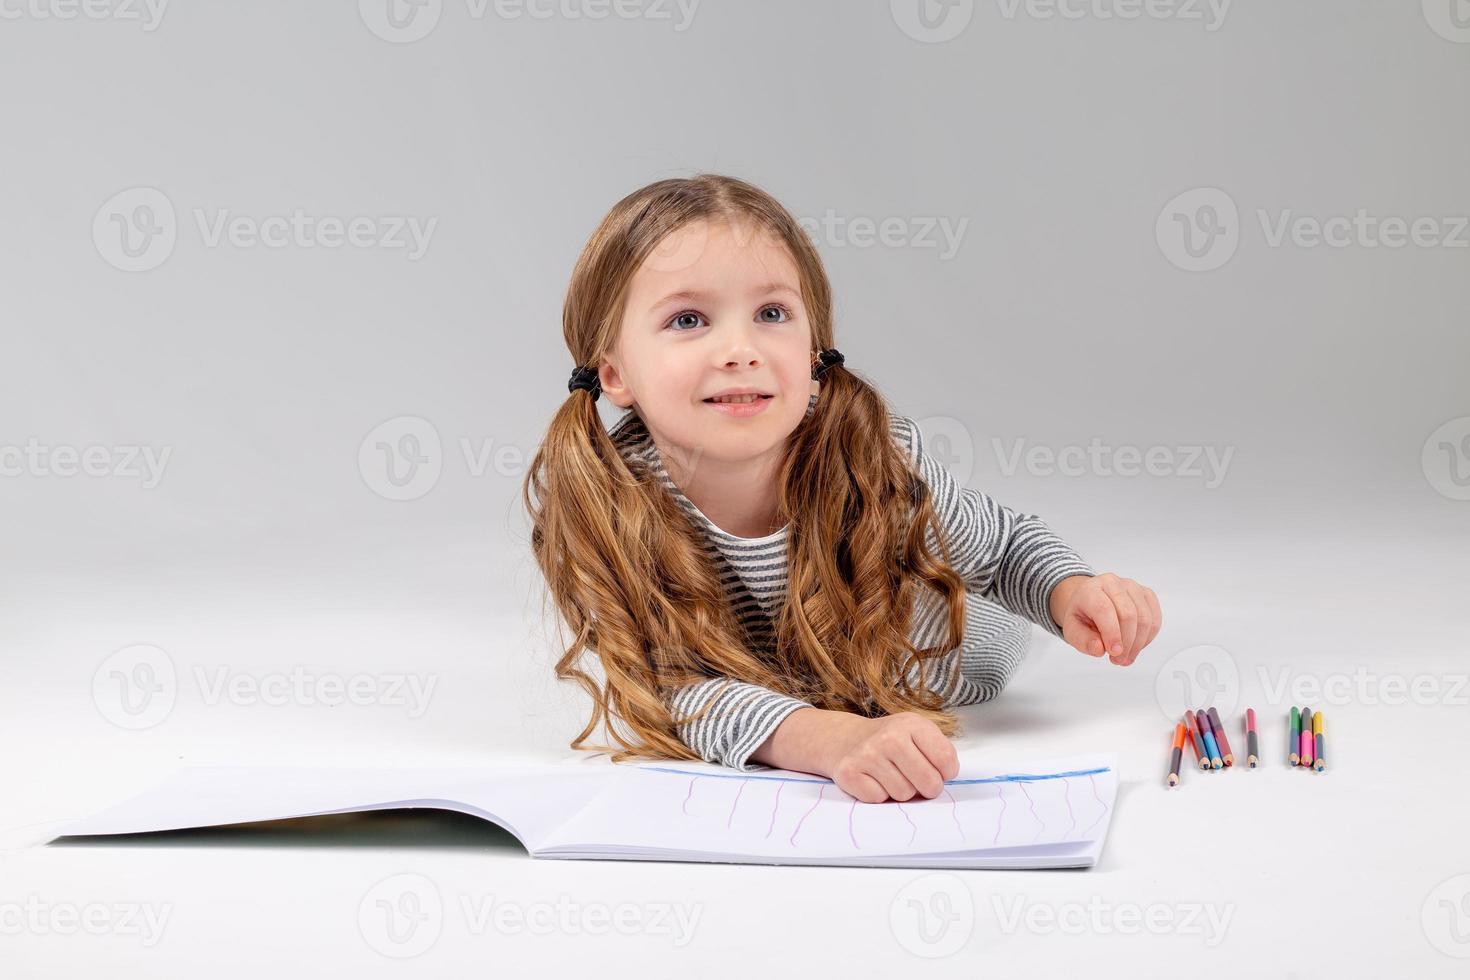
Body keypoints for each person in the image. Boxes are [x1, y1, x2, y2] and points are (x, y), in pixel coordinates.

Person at [522, 174, 1161, 804]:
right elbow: (667, 688)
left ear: (813, 348)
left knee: (980, 586)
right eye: (689, 319)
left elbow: (999, 549)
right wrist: (828, 739)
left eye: (772, 313)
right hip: (834, 693)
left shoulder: (872, 458)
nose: (740, 349)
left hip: (956, 640)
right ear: (615, 372)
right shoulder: (605, 501)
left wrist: (1069, 590)